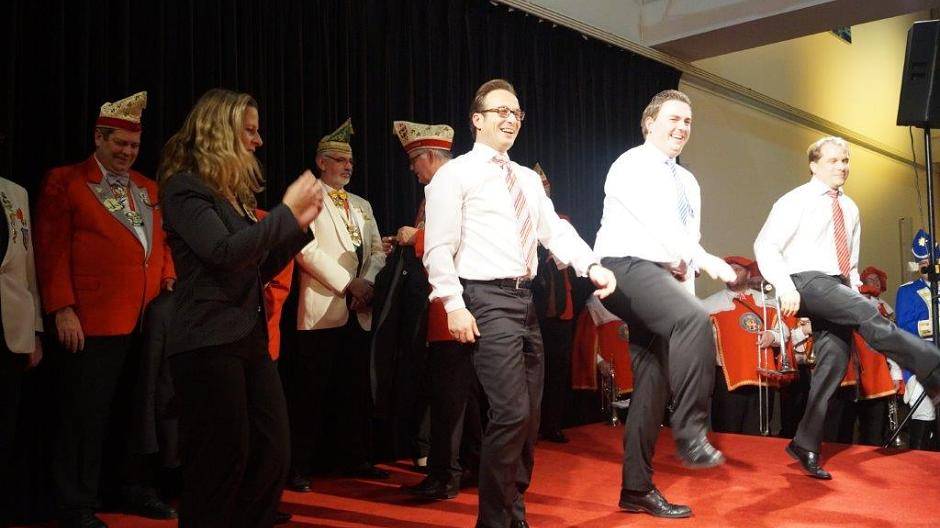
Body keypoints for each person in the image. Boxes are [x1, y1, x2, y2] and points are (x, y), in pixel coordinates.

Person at [423, 79, 615, 528]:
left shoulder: (526, 178)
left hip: (525, 301)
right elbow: (438, 246)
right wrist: (453, 303)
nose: (511, 119)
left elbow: (554, 231)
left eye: (516, 113)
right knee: (510, 412)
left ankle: (513, 511)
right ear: (477, 120)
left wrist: (591, 264)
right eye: (501, 111)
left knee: (529, 420)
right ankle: (493, 520)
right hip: (485, 298)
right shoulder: (456, 174)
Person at [158, 88, 323, 527]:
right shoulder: (185, 188)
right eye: (249, 130)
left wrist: (296, 226)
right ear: (221, 132)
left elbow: (257, 267)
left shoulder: (233, 196)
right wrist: (285, 213)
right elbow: (223, 253)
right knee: (220, 459)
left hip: (247, 337)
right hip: (207, 340)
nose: (258, 140)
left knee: (273, 452)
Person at [754, 136, 940, 479]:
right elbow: (765, 245)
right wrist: (784, 285)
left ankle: (805, 443)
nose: (842, 167)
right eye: (833, 161)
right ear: (814, 165)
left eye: (845, 161)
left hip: (837, 285)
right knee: (869, 316)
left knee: (833, 364)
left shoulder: (850, 207)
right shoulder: (795, 200)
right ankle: (933, 367)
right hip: (806, 280)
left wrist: (854, 289)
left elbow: (850, 263)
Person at [34, 91, 177, 527]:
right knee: (85, 417)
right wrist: (62, 308)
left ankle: (132, 488)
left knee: (139, 414)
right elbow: (51, 250)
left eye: (134, 145)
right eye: (119, 143)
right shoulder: (66, 181)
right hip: (92, 319)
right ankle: (75, 502)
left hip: (146, 320)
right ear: (99, 138)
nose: (127, 152)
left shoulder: (148, 188)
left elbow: (162, 242)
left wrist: (168, 277)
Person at [593, 89, 736, 519]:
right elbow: (657, 226)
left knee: (652, 385)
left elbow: (687, 242)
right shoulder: (631, 164)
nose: (682, 128)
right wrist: (704, 262)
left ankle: (635, 488)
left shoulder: (688, 181)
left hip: (663, 278)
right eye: (673, 119)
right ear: (649, 122)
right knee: (696, 320)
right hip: (624, 266)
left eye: (688, 121)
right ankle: (691, 431)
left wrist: (688, 282)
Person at [387, 121, 483, 500]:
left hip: (452, 306)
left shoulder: (449, 185)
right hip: (446, 305)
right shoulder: (445, 186)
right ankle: (472, 463)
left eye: (415, 160)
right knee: (462, 394)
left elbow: (461, 239)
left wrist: (417, 237)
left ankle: (444, 475)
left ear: (429, 155)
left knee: (448, 394)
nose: (412, 168)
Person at [290, 118, 387, 486]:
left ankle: (355, 458)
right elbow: (305, 250)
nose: (348, 166)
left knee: (354, 388)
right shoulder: (307, 196)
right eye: (339, 159)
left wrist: (368, 283)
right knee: (310, 391)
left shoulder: (362, 204)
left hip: (359, 308)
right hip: (324, 306)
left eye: (350, 161)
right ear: (321, 162)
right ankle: (299, 466)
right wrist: (349, 284)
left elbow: (377, 250)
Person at [702, 256, 795, 435]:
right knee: (727, 430)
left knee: (757, 433)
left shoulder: (767, 302)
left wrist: (772, 335)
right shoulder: (708, 305)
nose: (732, 274)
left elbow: (784, 330)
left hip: (761, 377)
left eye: (737, 270)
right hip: (725, 378)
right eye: (729, 270)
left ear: (749, 274)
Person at [0, 173, 43, 528]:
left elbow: (27, 266)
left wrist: (35, 330)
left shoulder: (15, 193)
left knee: (6, 428)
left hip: (11, 326)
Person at [531, 163, 577, 444]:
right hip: (532, 308)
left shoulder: (561, 221)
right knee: (533, 370)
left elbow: (567, 257)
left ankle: (553, 424)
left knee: (558, 369)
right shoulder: (521, 221)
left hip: (560, 308)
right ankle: (532, 426)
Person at [894, 230, 940, 449]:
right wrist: (934, 326)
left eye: (930, 262)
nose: (926, 266)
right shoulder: (907, 291)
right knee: (924, 412)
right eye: (922, 263)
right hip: (921, 361)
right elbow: (904, 328)